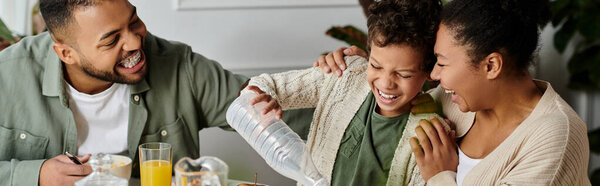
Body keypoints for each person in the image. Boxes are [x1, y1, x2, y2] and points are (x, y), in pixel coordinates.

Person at [0, 0, 314, 185]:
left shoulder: (179, 65)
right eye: (111, 40)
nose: (136, 43)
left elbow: (283, 118)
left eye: (133, 20)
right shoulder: (8, 74)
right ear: (65, 53)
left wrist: (350, 84)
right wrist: (34, 174)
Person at [319, 0, 591, 185]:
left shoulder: (555, 138)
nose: (434, 75)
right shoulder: (449, 101)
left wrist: (441, 176)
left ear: (491, 65)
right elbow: (389, 104)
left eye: (442, 62)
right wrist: (357, 67)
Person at [244, 0, 443, 185]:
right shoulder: (345, 73)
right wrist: (265, 96)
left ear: (429, 72)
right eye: (375, 65)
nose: (385, 83)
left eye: (404, 75)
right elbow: (263, 84)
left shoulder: (428, 137)